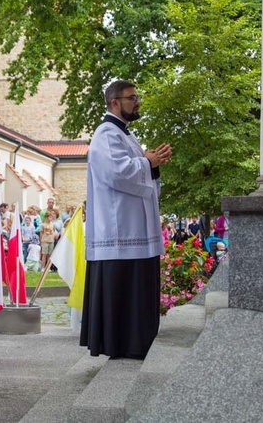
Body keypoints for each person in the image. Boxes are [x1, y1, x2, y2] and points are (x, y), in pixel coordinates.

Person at [81, 80, 172, 359]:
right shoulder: (106, 134)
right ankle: (123, 344)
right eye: (132, 97)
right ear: (114, 102)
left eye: (137, 97)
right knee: (125, 291)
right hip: (119, 232)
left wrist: (151, 166)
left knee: (138, 289)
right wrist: (149, 163)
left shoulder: (127, 136)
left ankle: (139, 340)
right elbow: (117, 172)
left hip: (134, 229)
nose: (137, 101)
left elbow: (140, 175)